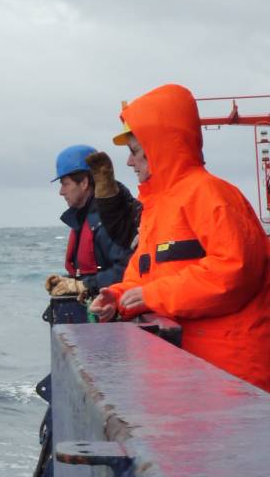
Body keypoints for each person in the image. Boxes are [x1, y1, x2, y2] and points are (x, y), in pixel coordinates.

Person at [89, 83, 270, 393]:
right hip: (190, 375)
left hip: (234, 379)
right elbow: (141, 278)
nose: (130, 162)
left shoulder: (211, 194)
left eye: (134, 151)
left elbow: (234, 272)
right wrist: (116, 298)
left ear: (159, 147)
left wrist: (152, 296)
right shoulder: (157, 208)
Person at [45, 144, 138, 299]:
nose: (61, 192)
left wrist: (84, 285)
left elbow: (127, 269)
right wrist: (66, 281)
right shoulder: (84, 218)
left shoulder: (108, 220)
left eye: (65, 184)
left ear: (84, 183)